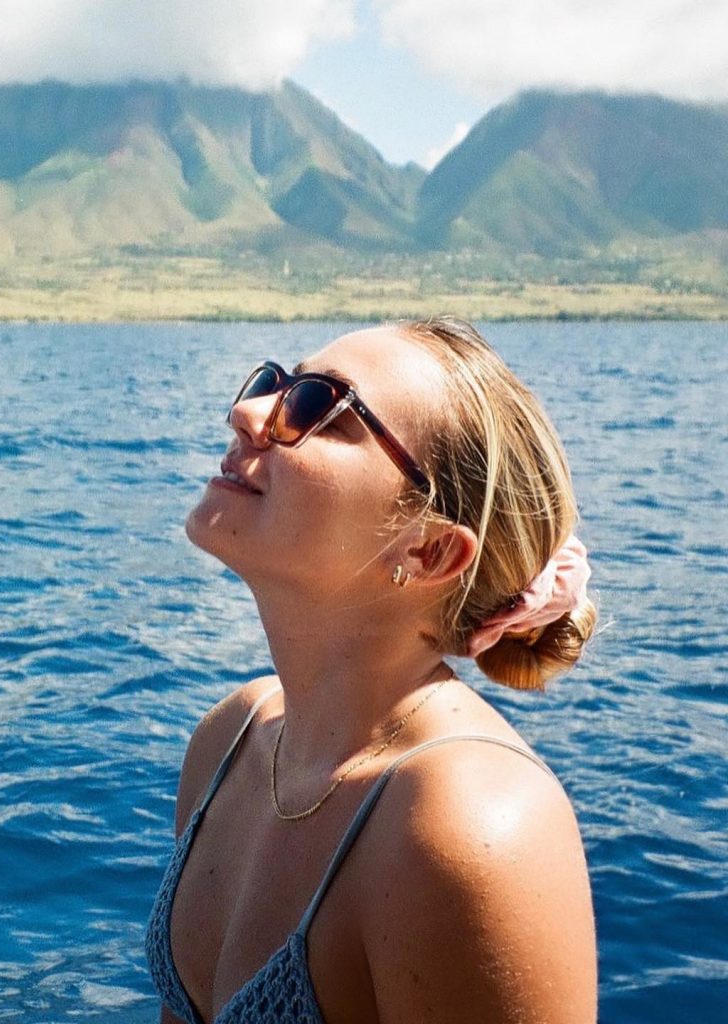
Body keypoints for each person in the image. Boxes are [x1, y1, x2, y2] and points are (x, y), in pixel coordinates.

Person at [145, 317, 598, 1024]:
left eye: (318, 405)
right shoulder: (230, 741)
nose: (246, 410)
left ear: (429, 554)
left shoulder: (469, 830)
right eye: (275, 382)